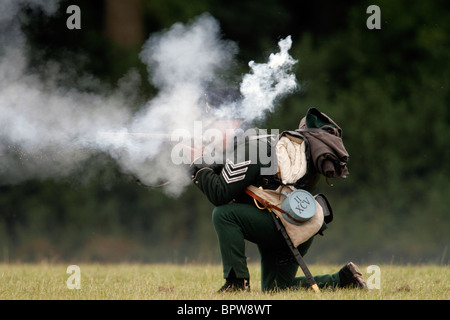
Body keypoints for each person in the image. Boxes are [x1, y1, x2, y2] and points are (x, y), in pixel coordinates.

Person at [189, 92, 367, 292]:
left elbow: (220, 194)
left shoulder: (251, 147)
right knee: (276, 290)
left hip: (287, 225)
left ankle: (236, 283)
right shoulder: (254, 143)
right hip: (297, 223)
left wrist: (198, 165)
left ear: (232, 122)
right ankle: (344, 279)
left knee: (224, 215)